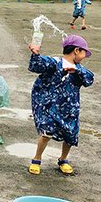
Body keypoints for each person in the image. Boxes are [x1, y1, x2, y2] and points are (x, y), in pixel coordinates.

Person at [28, 35, 94, 175]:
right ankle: (37, 158)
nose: (84, 56)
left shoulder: (79, 70)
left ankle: (63, 159)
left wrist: (77, 71)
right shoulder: (54, 63)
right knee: (47, 132)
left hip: (70, 108)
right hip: (50, 106)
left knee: (70, 134)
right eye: (83, 53)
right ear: (76, 50)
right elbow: (37, 65)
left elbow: (89, 79)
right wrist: (35, 54)